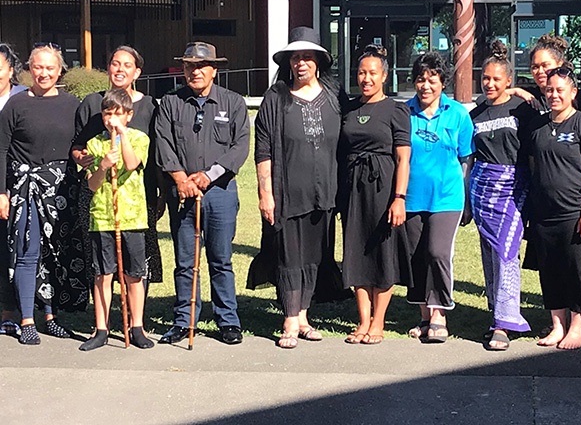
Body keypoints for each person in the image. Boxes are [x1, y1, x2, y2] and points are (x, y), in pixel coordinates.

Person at [247, 27, 347, 349]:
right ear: (288, 63)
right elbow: (263, 148)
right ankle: (290, 319)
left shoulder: (334, 98)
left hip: (325, 193)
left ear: (318, 61)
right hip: (288, 192)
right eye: (295, 58)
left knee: (315, 255)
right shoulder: (276, 98)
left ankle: (304, 316)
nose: (301, 63)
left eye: (307, 57)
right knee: (290, 255)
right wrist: (266, 193)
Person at [155, 42, 250, 345]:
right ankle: (184, 320)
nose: (195, 71)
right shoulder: (170, 103)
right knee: (186, 261)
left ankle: (228, 320)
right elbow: (163, 143)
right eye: (189, 66)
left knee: (221, 259)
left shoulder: (233, 102)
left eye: (201, 66)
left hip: (219, 192)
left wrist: (209, 176)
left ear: (214, 70)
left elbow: (240, 147)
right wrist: (181, 178)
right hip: (181, 192)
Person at [0, 44, 88, 345]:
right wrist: (1, 193)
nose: (44, 73)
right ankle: (26, 320)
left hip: (61, 189)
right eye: (38, 67)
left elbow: (80, 145)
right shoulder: (16, 104)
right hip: (24, 188)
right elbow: (1, 150)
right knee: (27, 254)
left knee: (55, 253)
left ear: (59, 70)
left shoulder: (72, 104)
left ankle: (51, 316)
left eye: (50, 68)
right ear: (28, 69)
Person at [71, 46, 163, 288]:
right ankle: (103, 319)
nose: (120, 69)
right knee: (102, 262)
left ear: (137, 73)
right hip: (99, 195)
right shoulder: (92, 103)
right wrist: (80, 156)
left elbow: (156, 154)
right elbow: (78, 145)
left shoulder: (151, 107)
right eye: (115, 63)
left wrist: (162, 192)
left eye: (127, 65)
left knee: (138, 260)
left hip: (138, 195)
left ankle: (136, 321)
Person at [339, 45, 412, 345]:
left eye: (372, 73)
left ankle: (378, 322)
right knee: (355, 251)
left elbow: (403, 158)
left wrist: (400, 197)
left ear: (384, 75)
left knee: (382, 252)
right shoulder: (349, 108)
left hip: (384, 187)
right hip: (352, 187)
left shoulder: (396, 110)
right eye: (361, 73)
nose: (366, 78)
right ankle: (363, 321)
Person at [469, 41, 537, 350]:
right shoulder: (476, 113)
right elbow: (470, 157)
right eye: (486, 78)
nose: (490, 84)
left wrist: (524, 95)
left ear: (508, 80)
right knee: (488, 254)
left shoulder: (523, 108)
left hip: (512, 189)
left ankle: (505, 323)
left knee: (506, 252)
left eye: (497, 79)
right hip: (482, 190)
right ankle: (495, 316)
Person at [527, 66, 581, 350]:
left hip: (576, 213)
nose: (554, 95)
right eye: (549, 90)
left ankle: (576, 325)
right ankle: (557, 325)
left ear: (573, 92)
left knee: (576, 271)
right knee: (550, 271)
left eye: (560, 90)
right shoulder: (539, 126)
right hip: (544, 214)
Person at [404, 52, 474, 343]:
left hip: (447, 197)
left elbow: (466, 158)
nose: (426, 86)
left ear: (442, 82)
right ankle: (424, 316)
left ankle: (439, 314)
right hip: (410, 197)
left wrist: (465, 194)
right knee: (416, 256)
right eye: (421, 80)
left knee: (437, 252)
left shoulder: (457, 114)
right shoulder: (404, 112)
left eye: (432, 80)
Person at [79, 89, 154, 351]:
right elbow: (91, 185)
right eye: (108, 114)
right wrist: (102, 166)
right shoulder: (94, 144)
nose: (112, 119)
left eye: (118, 114)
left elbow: (132, 164)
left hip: (132, 217)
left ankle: (137, 327)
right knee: (103, 274)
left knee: (134, 274)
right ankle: (101, 328)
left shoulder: (139, 138)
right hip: (102, 217)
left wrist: (122, 135)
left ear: (129, 115)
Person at [510, 33, 581, 122]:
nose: (540, 71)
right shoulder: (528, 97)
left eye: (545, 65)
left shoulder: (580, 99)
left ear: (559, 64)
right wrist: (515, 91)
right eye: (535, 67)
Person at [0, 43, 27, 337]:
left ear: (10, 70)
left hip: (16, 183)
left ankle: (12, 311)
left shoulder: (23, 99)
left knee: (11, 249)